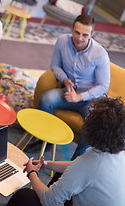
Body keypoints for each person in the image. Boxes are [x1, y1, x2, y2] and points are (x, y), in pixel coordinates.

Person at [8, 95, 125, 206]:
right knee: (63, 173)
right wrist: (48, 164)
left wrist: (31, 173)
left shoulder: (88, 163)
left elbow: (48, 200)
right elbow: (79, 169)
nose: (87, 117)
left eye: (90, 117)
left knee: (24, 196)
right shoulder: (116, 151)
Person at [38, 14, 110, 159]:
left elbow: (103, 86)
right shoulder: (62, 41)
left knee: (94, 122)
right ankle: (47, 139)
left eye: (85, 35)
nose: (79, 38)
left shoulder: (100, 54)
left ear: (92, 34)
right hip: (68, 92)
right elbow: (55, 65)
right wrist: (64, 79)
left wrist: (80, 97)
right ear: (71, 29)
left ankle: (77, 157)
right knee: (45, 99)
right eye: (77, 32)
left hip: (90, 99)